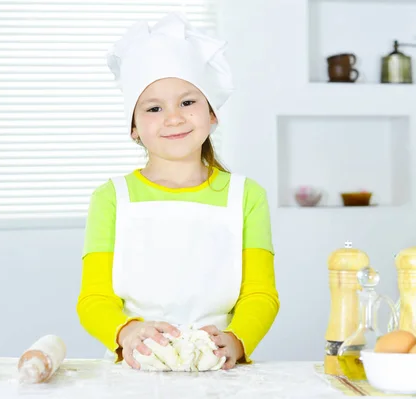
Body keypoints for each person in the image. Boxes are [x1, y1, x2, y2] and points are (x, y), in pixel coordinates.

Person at [76, 12, 279, 371]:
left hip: (219, 368)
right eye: (154, 108)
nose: (173, 118)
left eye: (188, 102)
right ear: (134, 128)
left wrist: (235, 339)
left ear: (212, 113)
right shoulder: (111, 198)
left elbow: (260, 294)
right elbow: (94, 298)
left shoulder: (247, 196)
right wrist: (125, 333)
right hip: (137, 367)